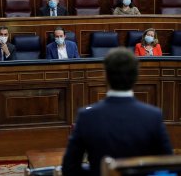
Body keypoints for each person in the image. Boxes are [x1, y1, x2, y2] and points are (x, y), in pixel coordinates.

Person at [62, 47, 173, 176]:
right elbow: (168, 166)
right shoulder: (153, 116)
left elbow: (69, 169)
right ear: (136, 77)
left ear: (106, 76)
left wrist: (99, 171)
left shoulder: (87, 117)